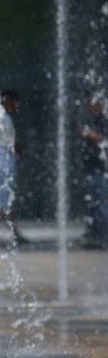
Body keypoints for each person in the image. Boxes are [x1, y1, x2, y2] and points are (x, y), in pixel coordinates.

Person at [0, 89, 29, 247]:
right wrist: (20, 150)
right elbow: (10, 142)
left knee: (4, 201)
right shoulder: (5, 119)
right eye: (14, 101)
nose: (16, 105)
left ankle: (15, 232)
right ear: (7, 101)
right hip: (4, 165)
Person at [76, 92, 108, 249]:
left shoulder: (105, 119)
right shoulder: (93, 120)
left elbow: (104, 140)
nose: (89, 107)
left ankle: (103, 235)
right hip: (93, 168)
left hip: (103, 169)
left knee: (102, 202)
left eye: (92, 103)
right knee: (94, 202)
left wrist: (93, 135)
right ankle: (95, 233)